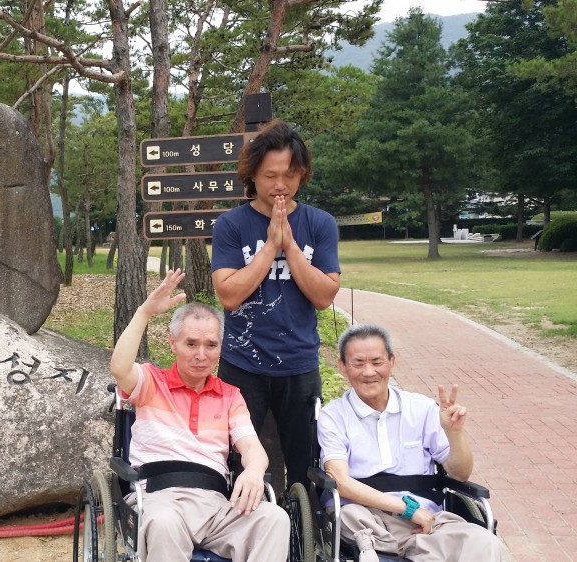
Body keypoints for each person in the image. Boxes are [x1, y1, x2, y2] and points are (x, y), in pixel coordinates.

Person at [110, 268, 289, 562]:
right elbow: (119, 367)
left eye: (211, 345)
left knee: (274, 519)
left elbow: (252, 448)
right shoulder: (151, 382)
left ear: (221, 347)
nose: (201, 355)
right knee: (164, 522)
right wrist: (144, 312)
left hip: (216, 505)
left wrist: (255, 471)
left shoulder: (230, 396)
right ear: (173, 343)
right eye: (191, 344)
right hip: (160, 498)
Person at [210, 119, 341, 492]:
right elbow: (229, 295)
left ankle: (302, 525)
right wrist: (269, 247)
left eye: (290, 175)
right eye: (270, 175)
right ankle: (243, 524)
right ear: (252, 174)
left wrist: (291, 247)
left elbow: (324, 296)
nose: (280, 184)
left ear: (302, 174)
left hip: (299, 364)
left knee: (306, 465)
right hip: (242, 365)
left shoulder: (320, 223)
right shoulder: (231, 225)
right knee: (238, 462)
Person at [318, 323, 503, 562]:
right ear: (342, 366)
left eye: (377, 362)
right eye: (358, 363)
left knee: (484, 542)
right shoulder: (333, 415)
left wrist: (455, 434)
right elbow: (341, 483)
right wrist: (406, 509)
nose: (369, 372)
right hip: (367, 522)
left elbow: (460, 474)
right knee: (350, 515)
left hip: (427, 522)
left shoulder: (421, 408)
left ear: (392, 362)